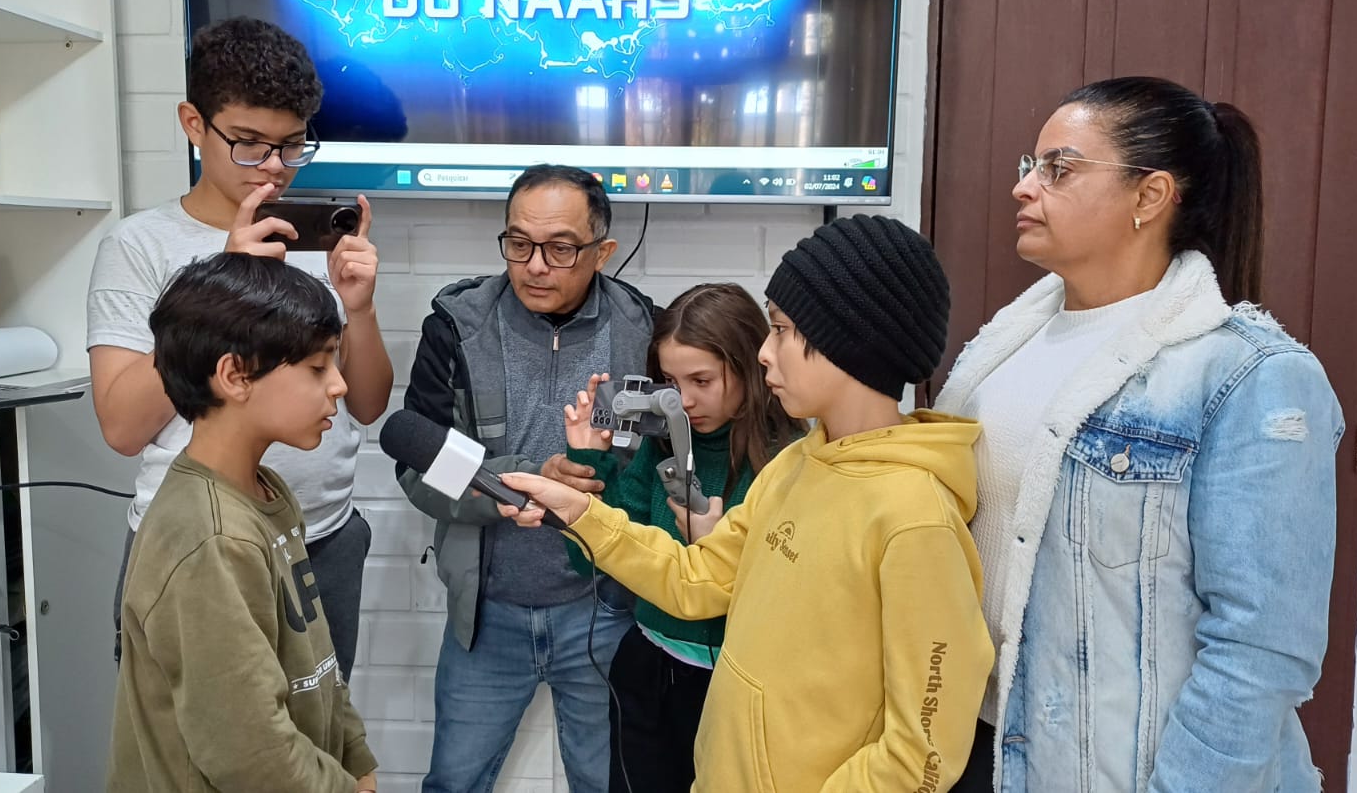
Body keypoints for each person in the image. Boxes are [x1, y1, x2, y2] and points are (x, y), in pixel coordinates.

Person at [936, 76, 1343, 792]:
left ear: (1150, 197)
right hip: (984, 747)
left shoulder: (1249, 374)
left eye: (1058, 169)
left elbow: (1261, 648)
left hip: (1122, 770)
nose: (1025, 189)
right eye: (1029, 167)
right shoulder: (1001, 347)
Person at [498, 215, 993, 791]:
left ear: (851, 342)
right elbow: (695, 579)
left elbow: (922, 753)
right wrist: (582, 512)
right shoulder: (798, 465)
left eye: (780, 329)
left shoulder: (915, 518)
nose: (762, 352)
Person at [87, 16, 394, 677]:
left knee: (319, 748)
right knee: (186, 758)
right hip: (194, 542)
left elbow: (365, 406)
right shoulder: (140, 246)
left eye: (292, 145)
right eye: (249, 145)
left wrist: (360, 310)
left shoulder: (311, 239)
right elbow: (121, 425)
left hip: (323, 539)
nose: (274, 168)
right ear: (194, 124)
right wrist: (220, 286)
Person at [396, 164, 654, 792]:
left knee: (611, 782)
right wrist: (518, 480)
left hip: (604, 611)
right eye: (519, 243)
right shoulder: (455, 326)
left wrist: (594, 478)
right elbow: (416, 462)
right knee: (454, 782)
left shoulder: (644, 330)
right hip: (487, 616)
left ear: (602, 252)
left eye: (561, 247)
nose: (536, 265)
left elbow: (658, 472)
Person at [107, 253, 378, 792]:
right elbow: (249, 751)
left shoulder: (269, 495)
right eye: (318, 367)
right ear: (235, 376)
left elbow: (318, 659)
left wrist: (356, 759)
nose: (340, 386)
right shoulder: (208, 537)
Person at [551, 282, 806, 792]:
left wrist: (714, 547)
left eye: (702, 380)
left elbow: (790, 603)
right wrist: (587, 461)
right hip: (647, 669)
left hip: (734, 685)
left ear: (754, 363)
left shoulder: (789, 460)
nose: (682, 400)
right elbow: (592, 561)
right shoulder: (661, 444)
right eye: (668, 381)